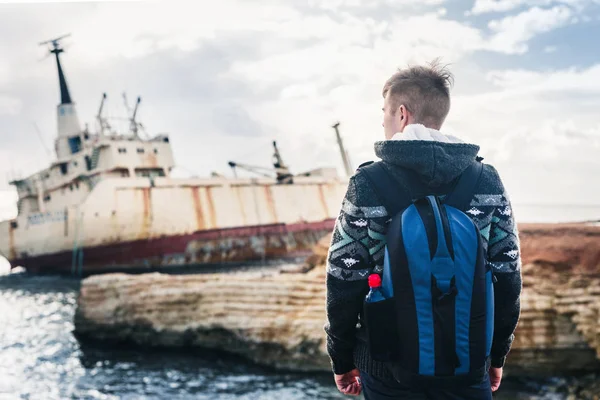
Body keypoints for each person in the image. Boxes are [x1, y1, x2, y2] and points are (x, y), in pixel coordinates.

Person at [324, 60, 522, 399]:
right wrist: (496, 354)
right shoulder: (486, 180)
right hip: (468, 364)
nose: (384, 122)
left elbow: (343, 280)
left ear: (401, 114)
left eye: (384, 113)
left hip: (387, 371)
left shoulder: (368, 182)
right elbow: (507, 276)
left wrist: (341, 359)